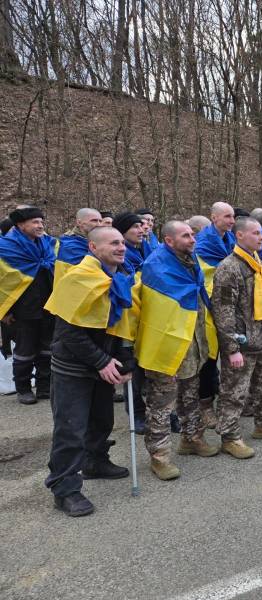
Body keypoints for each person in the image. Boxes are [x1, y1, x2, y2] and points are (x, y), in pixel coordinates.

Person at [44, 226, 135, 516]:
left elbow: (119, 326)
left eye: (122, 242)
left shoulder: (117, 279)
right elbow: (69, 333)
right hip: (73, 367)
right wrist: (101, 361)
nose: (121, 247)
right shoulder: (77, 279)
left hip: (102, 364)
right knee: (71, 429)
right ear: (93, 248)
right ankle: (65, 489)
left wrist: (124, 361)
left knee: (101, 420)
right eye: (113, 243)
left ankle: (96, 461)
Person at [136, 221, 219, 481]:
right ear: (169, 240)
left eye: (193, 234)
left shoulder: (192, 262)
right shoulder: (155, 266)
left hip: (192, 344)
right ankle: (159, 457)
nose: (193, 239)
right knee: (161, 406)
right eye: (186, 235)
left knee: (190, 397)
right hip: (167, 349)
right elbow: (156, 311)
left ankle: (192, 439)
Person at [212, 217, 262, 457]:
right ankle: (230, 437)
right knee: (234, 392)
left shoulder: (259, 264)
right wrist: (232, 348)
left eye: (261, 233)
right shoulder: (229, 268)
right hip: (243, 344)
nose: (261, 237)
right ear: (240, 235)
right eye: (255, 233)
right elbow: (224, 311)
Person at [0, 207, 57, 404]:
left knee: (47, 349)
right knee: (24, 351)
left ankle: (44, 386)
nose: (40, 225)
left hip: (48, 305)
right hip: (22, 310)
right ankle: (23, 388)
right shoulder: (5, 247)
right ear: (20, 225)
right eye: (35, 222)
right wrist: (4, 311)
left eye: (41, 221)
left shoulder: (48, 245)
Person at [194, 202, 236, 426]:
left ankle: (225, 400)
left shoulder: (230, 241)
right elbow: (204, 277)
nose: (231, 220)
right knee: (208, 360)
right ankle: (205, 405)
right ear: (214, 217)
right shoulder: (202, 245)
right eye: (226, 216)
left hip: (228, 305)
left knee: (230, 354)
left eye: (232, 217)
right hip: (208, 306)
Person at [112, 212, 149, 434]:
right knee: (132, 370)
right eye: (136, 226)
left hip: (146, 317)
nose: (142, 230)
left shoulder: (145, 251)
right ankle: (136, 415)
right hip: (127, 320)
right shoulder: (121, 259)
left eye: (143, 226)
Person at [54, 208, 102, 283]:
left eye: (100, 221)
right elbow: (88, 273)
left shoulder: (92, 241)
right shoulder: (69, 245)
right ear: (79, 223)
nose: (99, 224)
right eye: (94, 220)